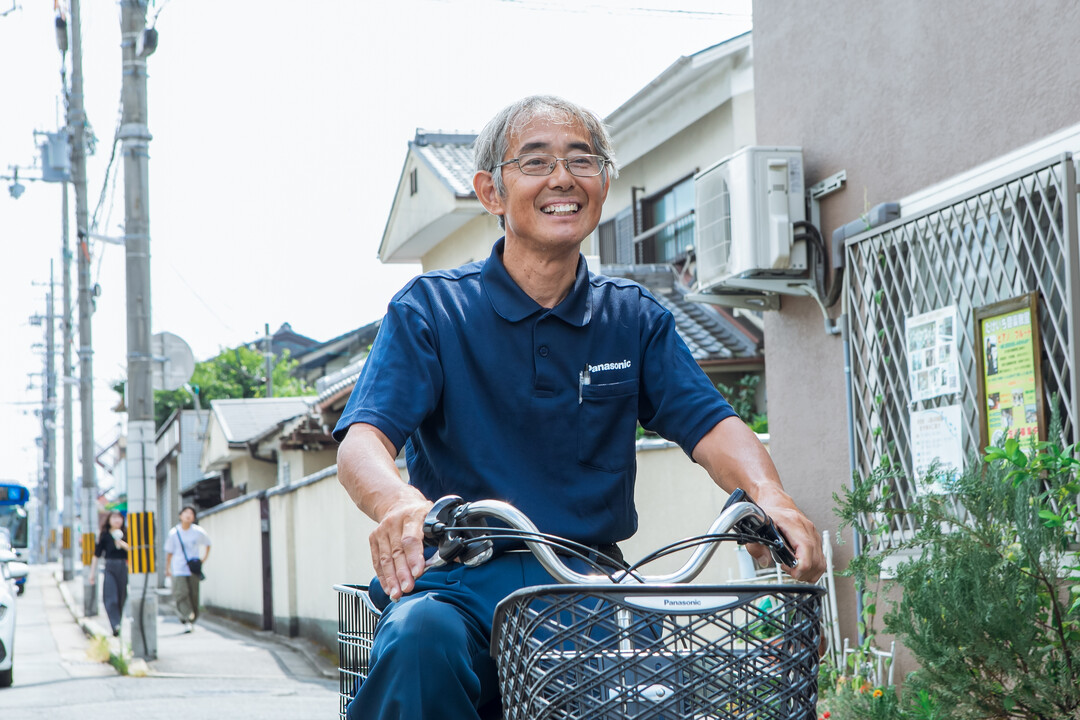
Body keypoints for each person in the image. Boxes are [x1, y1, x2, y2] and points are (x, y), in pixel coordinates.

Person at [334, 94, 825, 720]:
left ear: (603, 183)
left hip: (590, 587)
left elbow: (714, 425)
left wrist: (770, 495)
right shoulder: (432, 309)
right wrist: (399, 502)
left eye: (581, 160)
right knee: (419, 639)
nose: (563, 178)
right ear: (491, 192)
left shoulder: (634, 317)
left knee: (654, 695)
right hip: (463, 580)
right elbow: (363, 441)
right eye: (536, 162)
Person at [164, 506, 211, 633]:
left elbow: (208, 544)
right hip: (178, 568)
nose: (188, 515)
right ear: (180, 516)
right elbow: (169, 552)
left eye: (191, 513)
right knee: (181, 593)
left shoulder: (198, 531)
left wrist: (203, 559)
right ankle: (186, 619)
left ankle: (192, 618)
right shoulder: (174, 533)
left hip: (193, 569)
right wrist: (167, 568)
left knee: (193, 595)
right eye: (186, 513)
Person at [90, 511, 129, 637]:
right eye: (114, 518)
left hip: (123, 566)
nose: (117, 520)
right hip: (109, 567)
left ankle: (118, 622)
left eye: (119, 518)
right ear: (109, 520)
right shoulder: (105, 535)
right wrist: (92, 574)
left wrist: (121, 544)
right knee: (110, 597)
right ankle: (115, 624)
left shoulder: (126, 533)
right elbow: (96, 555)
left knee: (122, 597)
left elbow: (133, 550)